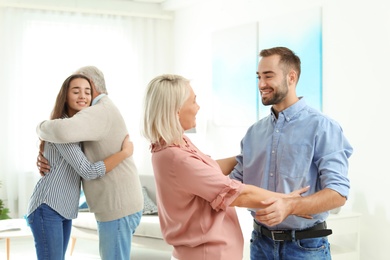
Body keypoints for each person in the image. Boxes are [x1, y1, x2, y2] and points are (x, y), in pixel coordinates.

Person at [141, 74, 310, 260]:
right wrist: (289, 201)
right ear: (177, 110)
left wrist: (251, 156)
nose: (198, 107)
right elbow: (238, 194)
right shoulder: (175, 157)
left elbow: (208, 168)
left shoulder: (174, 145)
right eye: (194, 101)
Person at [229, 47, 353, 259]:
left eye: (268, 76)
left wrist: (291, 206)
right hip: (260, 244)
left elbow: (338, 193)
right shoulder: (254, 133)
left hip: (305, 248)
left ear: (291, 77)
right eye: (259, 77)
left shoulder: (322, 127)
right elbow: (233, 186)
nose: (261, 84)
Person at [36, 66, 143, 260]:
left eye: (85, 89)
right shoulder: (96, 112)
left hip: (117, 205)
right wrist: (44, 152)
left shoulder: (99, 111)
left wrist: (40, 127)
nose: (82, 95)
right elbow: (63, 138)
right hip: (112, 204)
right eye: (75, 90)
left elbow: (62, 133)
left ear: (91, 84)